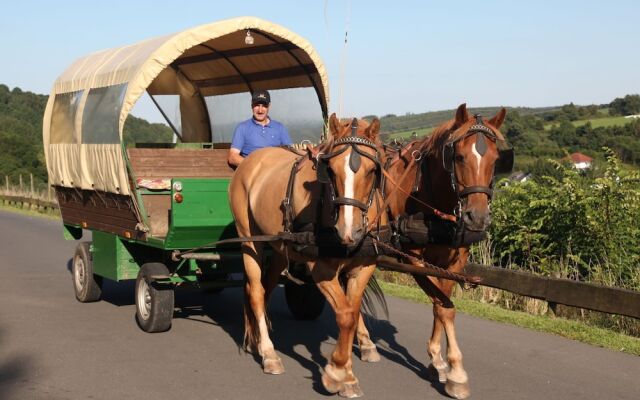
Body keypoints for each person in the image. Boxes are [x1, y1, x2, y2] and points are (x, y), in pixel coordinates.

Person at [228, 90, 292, 167]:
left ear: (269, 106)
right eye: (257, 105)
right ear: (251, 105)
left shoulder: (280, 128)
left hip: (275, 171)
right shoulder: (242, 128)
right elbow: (233, 157)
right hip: (253, 173)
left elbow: (290, 154)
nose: (260, 110)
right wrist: (256, 166)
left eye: (264, 106)